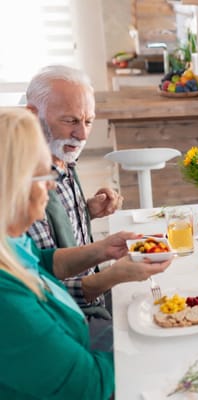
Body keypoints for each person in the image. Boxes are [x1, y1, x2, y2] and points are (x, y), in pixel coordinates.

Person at [0, 108, 171, 399]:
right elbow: (90, 386)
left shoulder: (10, 242)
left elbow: (41, 262)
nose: (53, 185)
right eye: (44, 174)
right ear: (14, 186)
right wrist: (162, 344)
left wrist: (103, 249)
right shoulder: (8, 303)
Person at [25, 66, 123, 332]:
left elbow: (50, 230)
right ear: (33, 115)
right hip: (68, 320)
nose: (82, 135)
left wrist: (85, 210)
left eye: (88, 121)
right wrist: (108, 278)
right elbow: (40, 285)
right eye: (70, 121)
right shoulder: (22, 184)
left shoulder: (62, 157)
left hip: (94, 297)